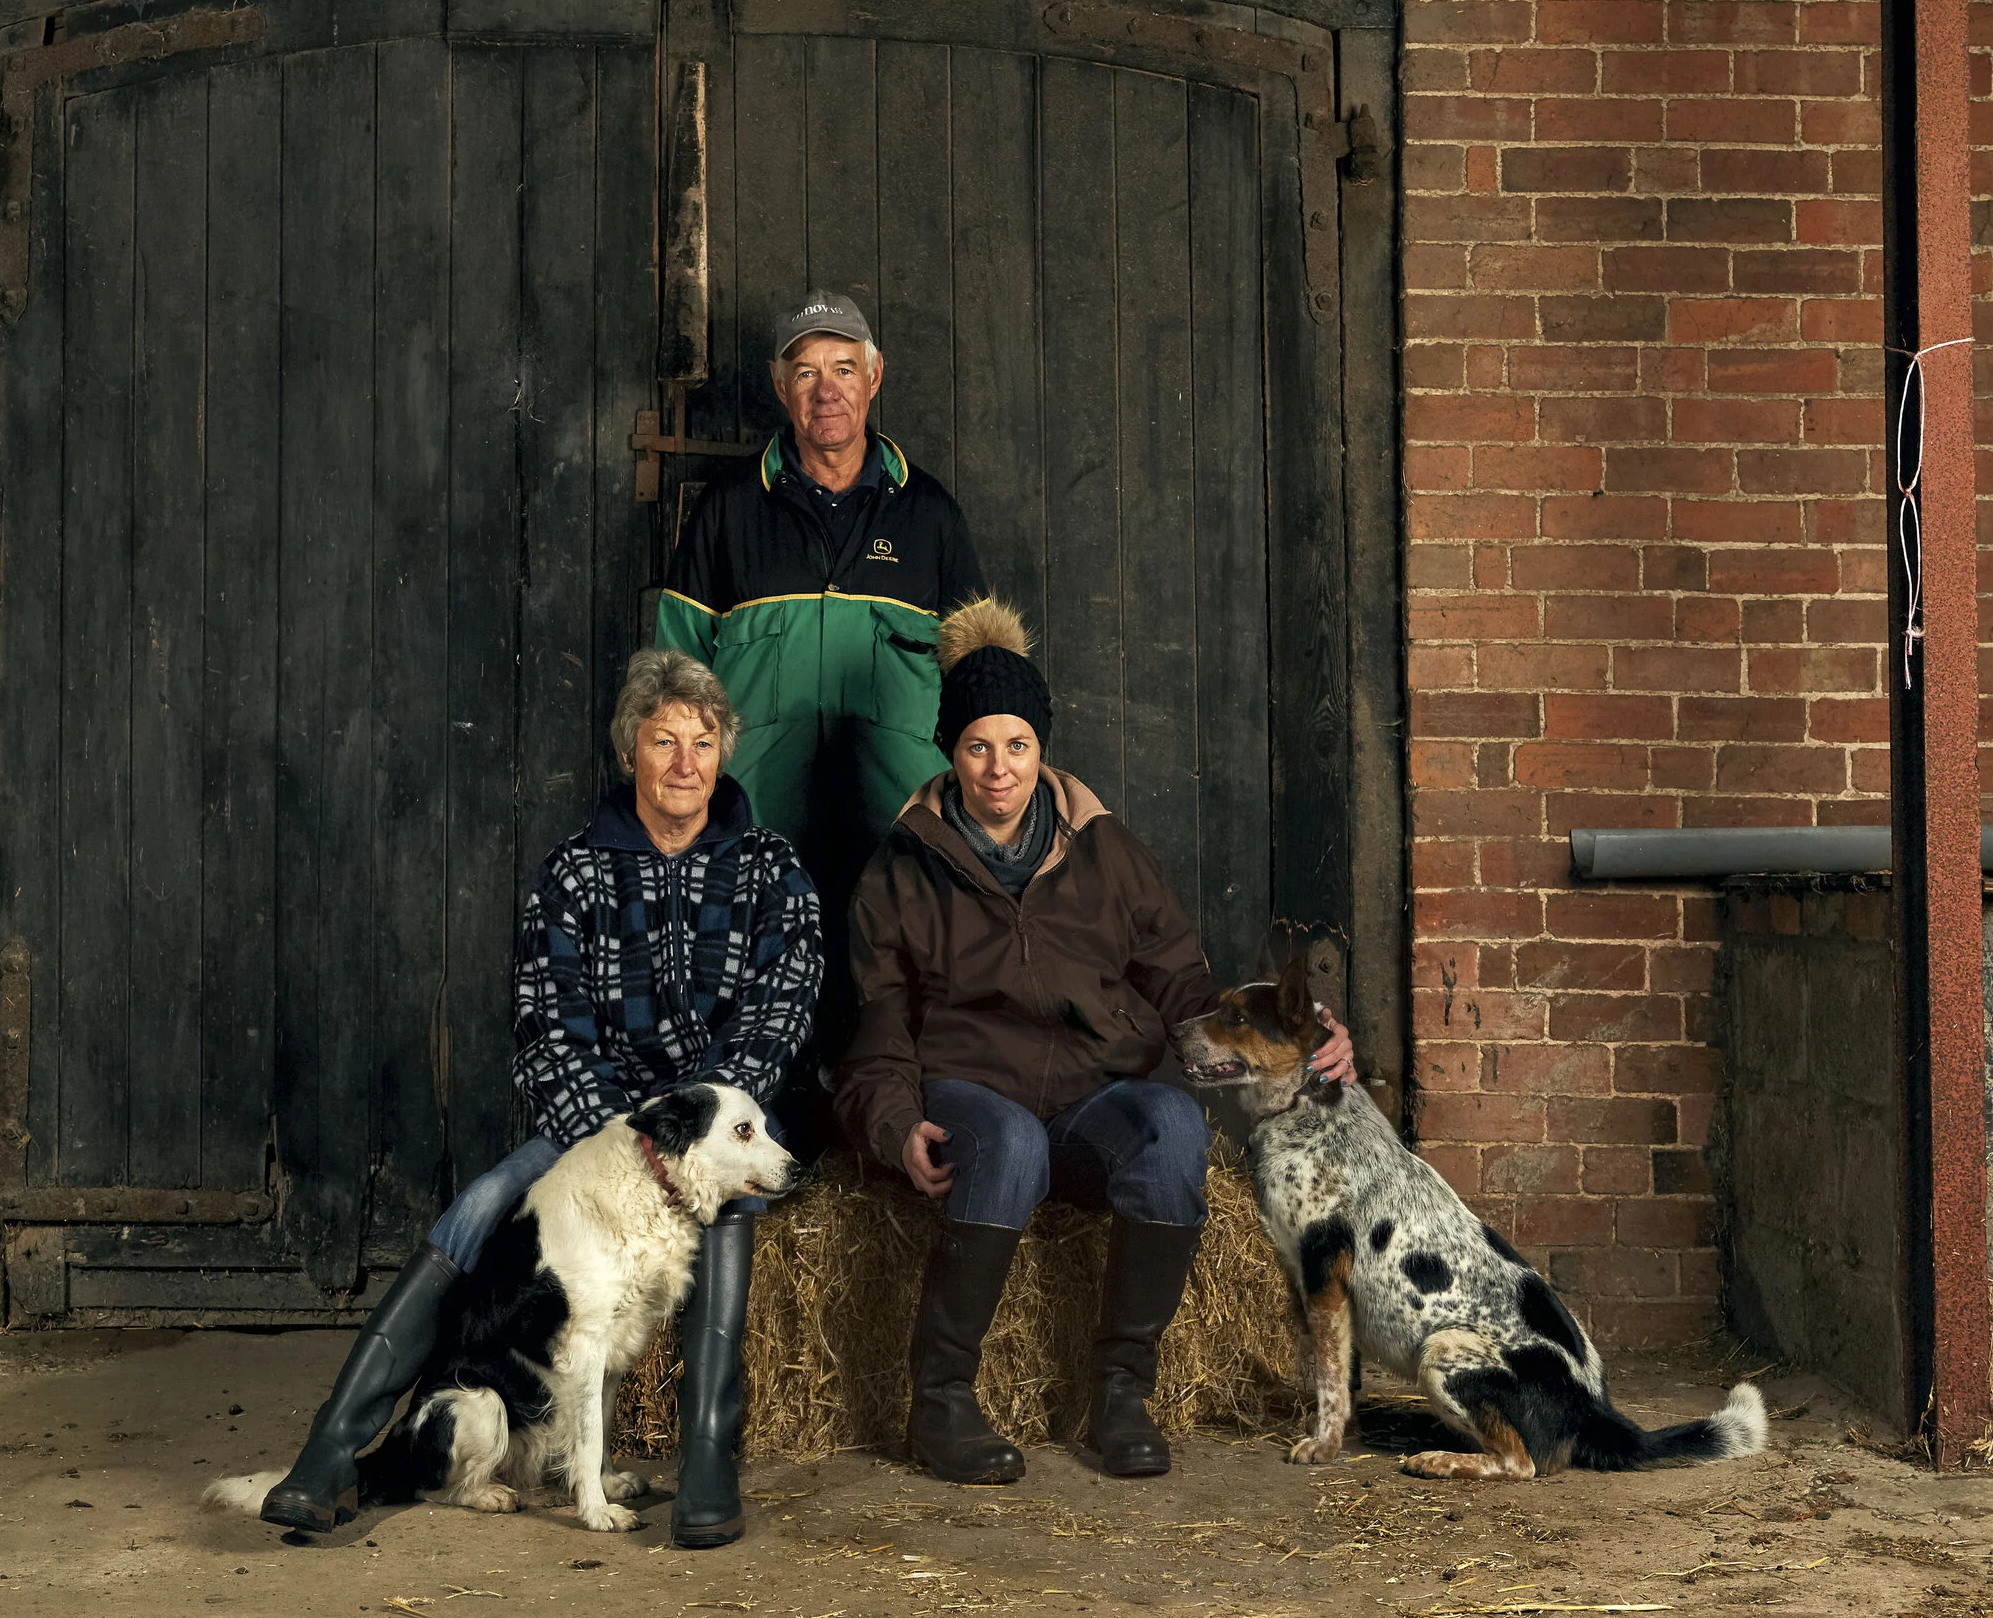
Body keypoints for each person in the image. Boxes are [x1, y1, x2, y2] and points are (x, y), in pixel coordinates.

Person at [260, 651, 822, 1548]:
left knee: (726, 1212)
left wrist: (695, 1142)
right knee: (483, 1201)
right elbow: (545, 1022)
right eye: (665, 741)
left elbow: (784, 1004)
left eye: (704, 742)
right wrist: (620, 1143)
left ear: (726, 753)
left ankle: (708, 1459)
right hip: (597, 1129)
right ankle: (332, 1449)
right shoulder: (575, 872)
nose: (686, 762)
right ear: (630, 751)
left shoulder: (770, 869)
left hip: (715, 1128)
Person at [833, 599, 1356, 1485]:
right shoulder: (902, 869)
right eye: (977, 747)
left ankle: (1122, 1396)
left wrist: (1299, 1035)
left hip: (1087, 1101)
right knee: (1009, 1140)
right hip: (974, 1097)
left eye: (1018, 746)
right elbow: (877, 1025)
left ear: (1043, 749)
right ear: (949, 751)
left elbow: (1185, 988)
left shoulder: (1107, 850)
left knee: (1170, 1127)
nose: (999, 770)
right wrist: (893, 1126)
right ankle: (943, 1403)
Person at [655, 291, 985, 1061]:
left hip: (900, 842)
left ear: (875, 378)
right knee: (757, 1034)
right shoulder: (730, 512)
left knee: (900, 1024)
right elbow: (673, 680)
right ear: (779, 387)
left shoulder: (931, 514)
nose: (826, 389)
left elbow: (980, 683)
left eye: (844, 368)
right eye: (806, 372)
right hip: (758, 838)